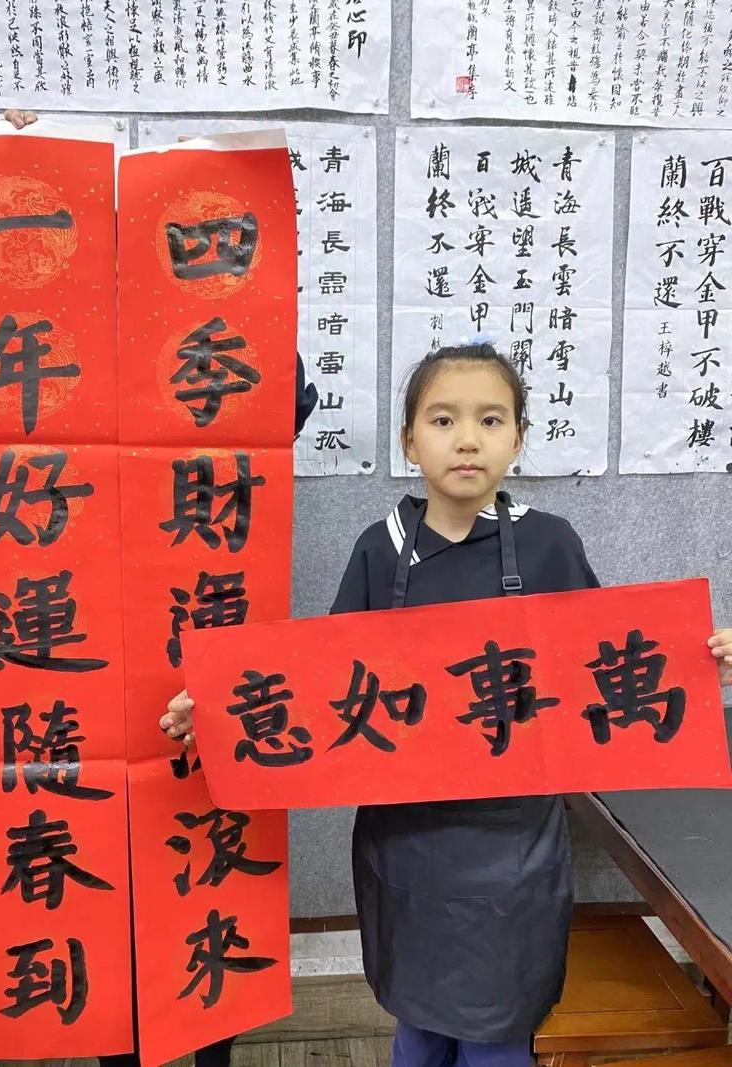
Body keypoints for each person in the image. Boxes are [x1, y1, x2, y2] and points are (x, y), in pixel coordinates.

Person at [166, 341, 732, 1067]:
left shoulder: (550, 545)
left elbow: (603, 669)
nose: (467, 438)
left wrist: (699, 662)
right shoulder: (379, 550)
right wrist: (215, 710)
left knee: (497, 1039)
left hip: (514, 851)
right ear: (409, 441)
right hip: (406, 846)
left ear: (518, 438)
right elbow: (318, 685)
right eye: (443, 420)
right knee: (419, 1031)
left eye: (491, 419)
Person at [1, 104, 317, 1067]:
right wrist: (19, 165)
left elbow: (283, 397)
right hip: (78, 662)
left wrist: (230, 251)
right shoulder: (49, 356)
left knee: (200, 886)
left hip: (192, 665)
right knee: (103, 888)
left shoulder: (203, 351)